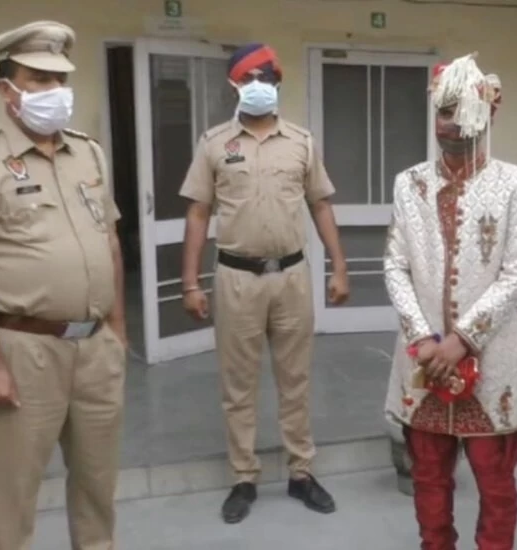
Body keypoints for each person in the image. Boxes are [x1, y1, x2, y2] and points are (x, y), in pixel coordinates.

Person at [179, 42, 349, 524]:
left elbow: (320, 204)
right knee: (238, 385)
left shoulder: (301, 142)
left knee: (296, 380)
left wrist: (339, 266)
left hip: (291, 276)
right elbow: (198, 212)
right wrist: (190, 282)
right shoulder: (214, 143)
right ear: (234, 84)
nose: (259, 86)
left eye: (267, 78)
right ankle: (243, 477)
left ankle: (301, 472)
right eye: (249, 78)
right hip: (236, 278)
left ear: (278, 83)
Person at [384, 53, 517, 549]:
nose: (450, 123)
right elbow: (395, 265)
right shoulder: (410, 183)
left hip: (493, 360)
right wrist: (422, 340)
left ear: (489, 113)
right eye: (442, 110)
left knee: (495, 485)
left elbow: (516, 272)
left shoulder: (515, 183)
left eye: (462, 111)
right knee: (428, 481)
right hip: (423, 360)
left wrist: (463, 340)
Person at [0, 20, 127, 550]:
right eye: (38, 80)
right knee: (10, 494)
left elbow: (109, 240)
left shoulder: (89, 153)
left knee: (97, 486)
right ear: (8, 90)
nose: (54, 91)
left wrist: (118, 331)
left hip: (95, 349)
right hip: (24, 350)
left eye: (59, 80)